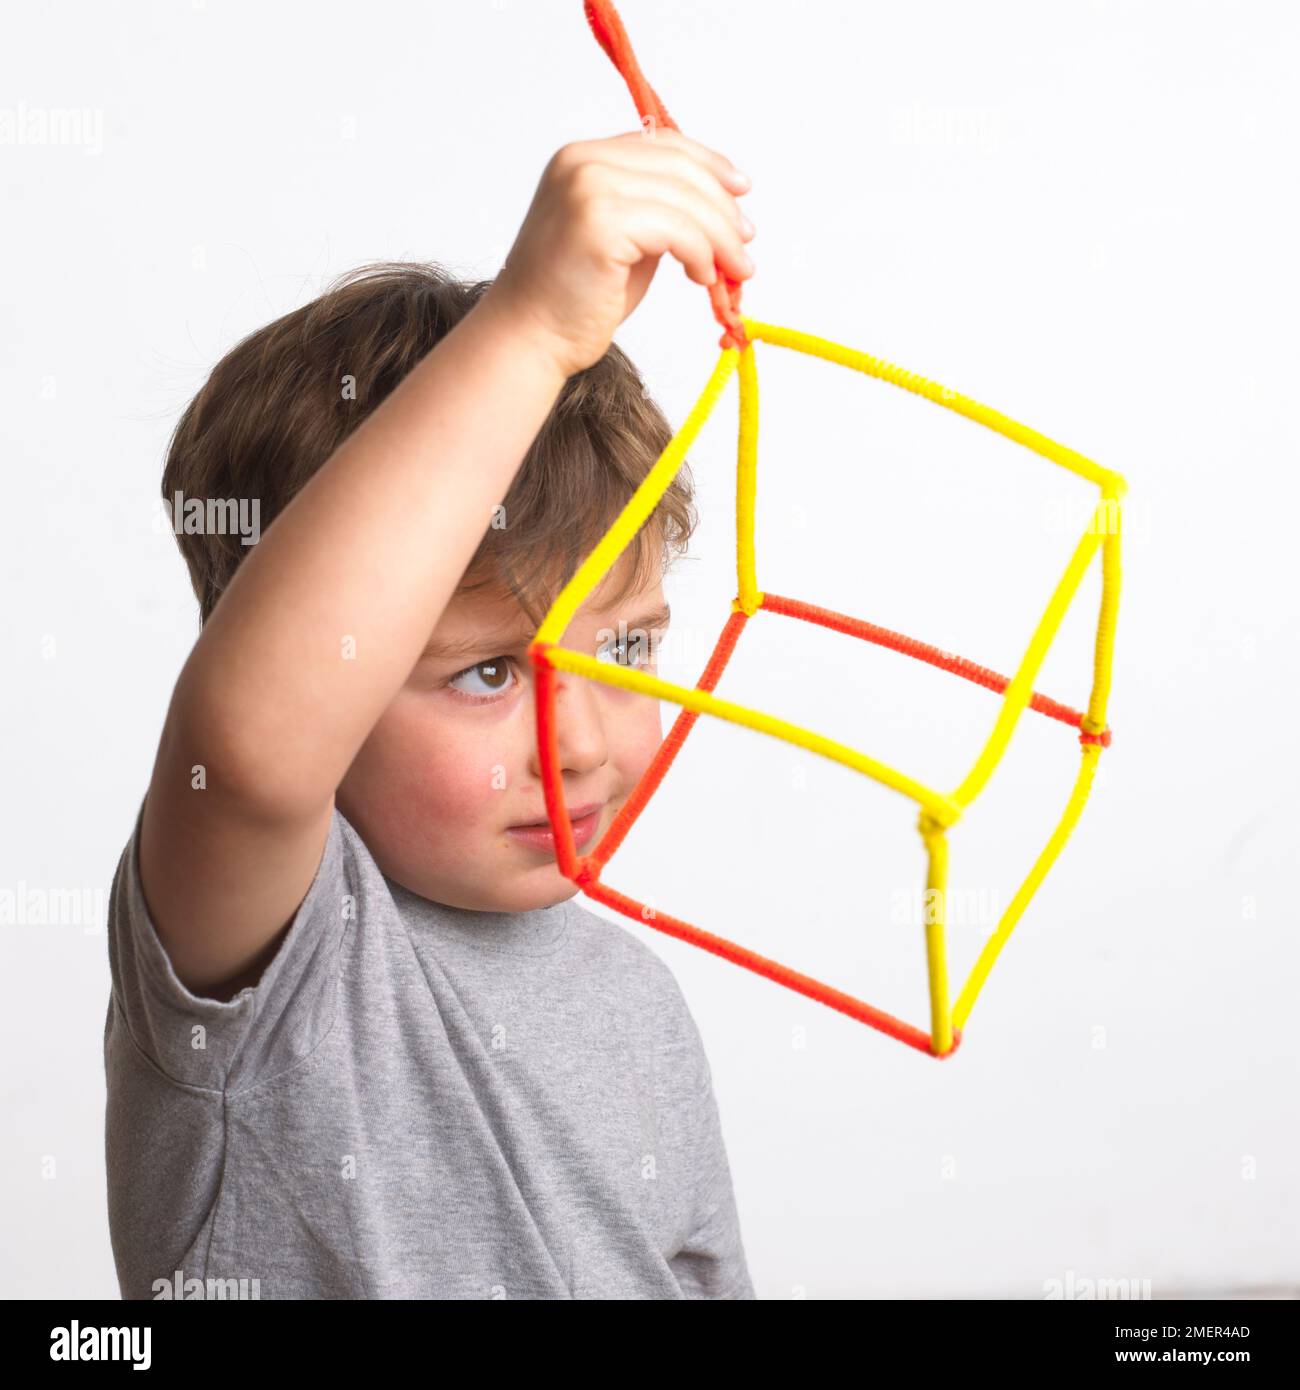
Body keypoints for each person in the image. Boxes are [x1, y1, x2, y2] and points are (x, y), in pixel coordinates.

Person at [103, 127, 760, 1299]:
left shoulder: (637, 1007)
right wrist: (528, 332)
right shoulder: (270, 962)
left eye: (622, 647)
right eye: (489, 674)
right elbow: (251, 750)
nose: (580, 743)